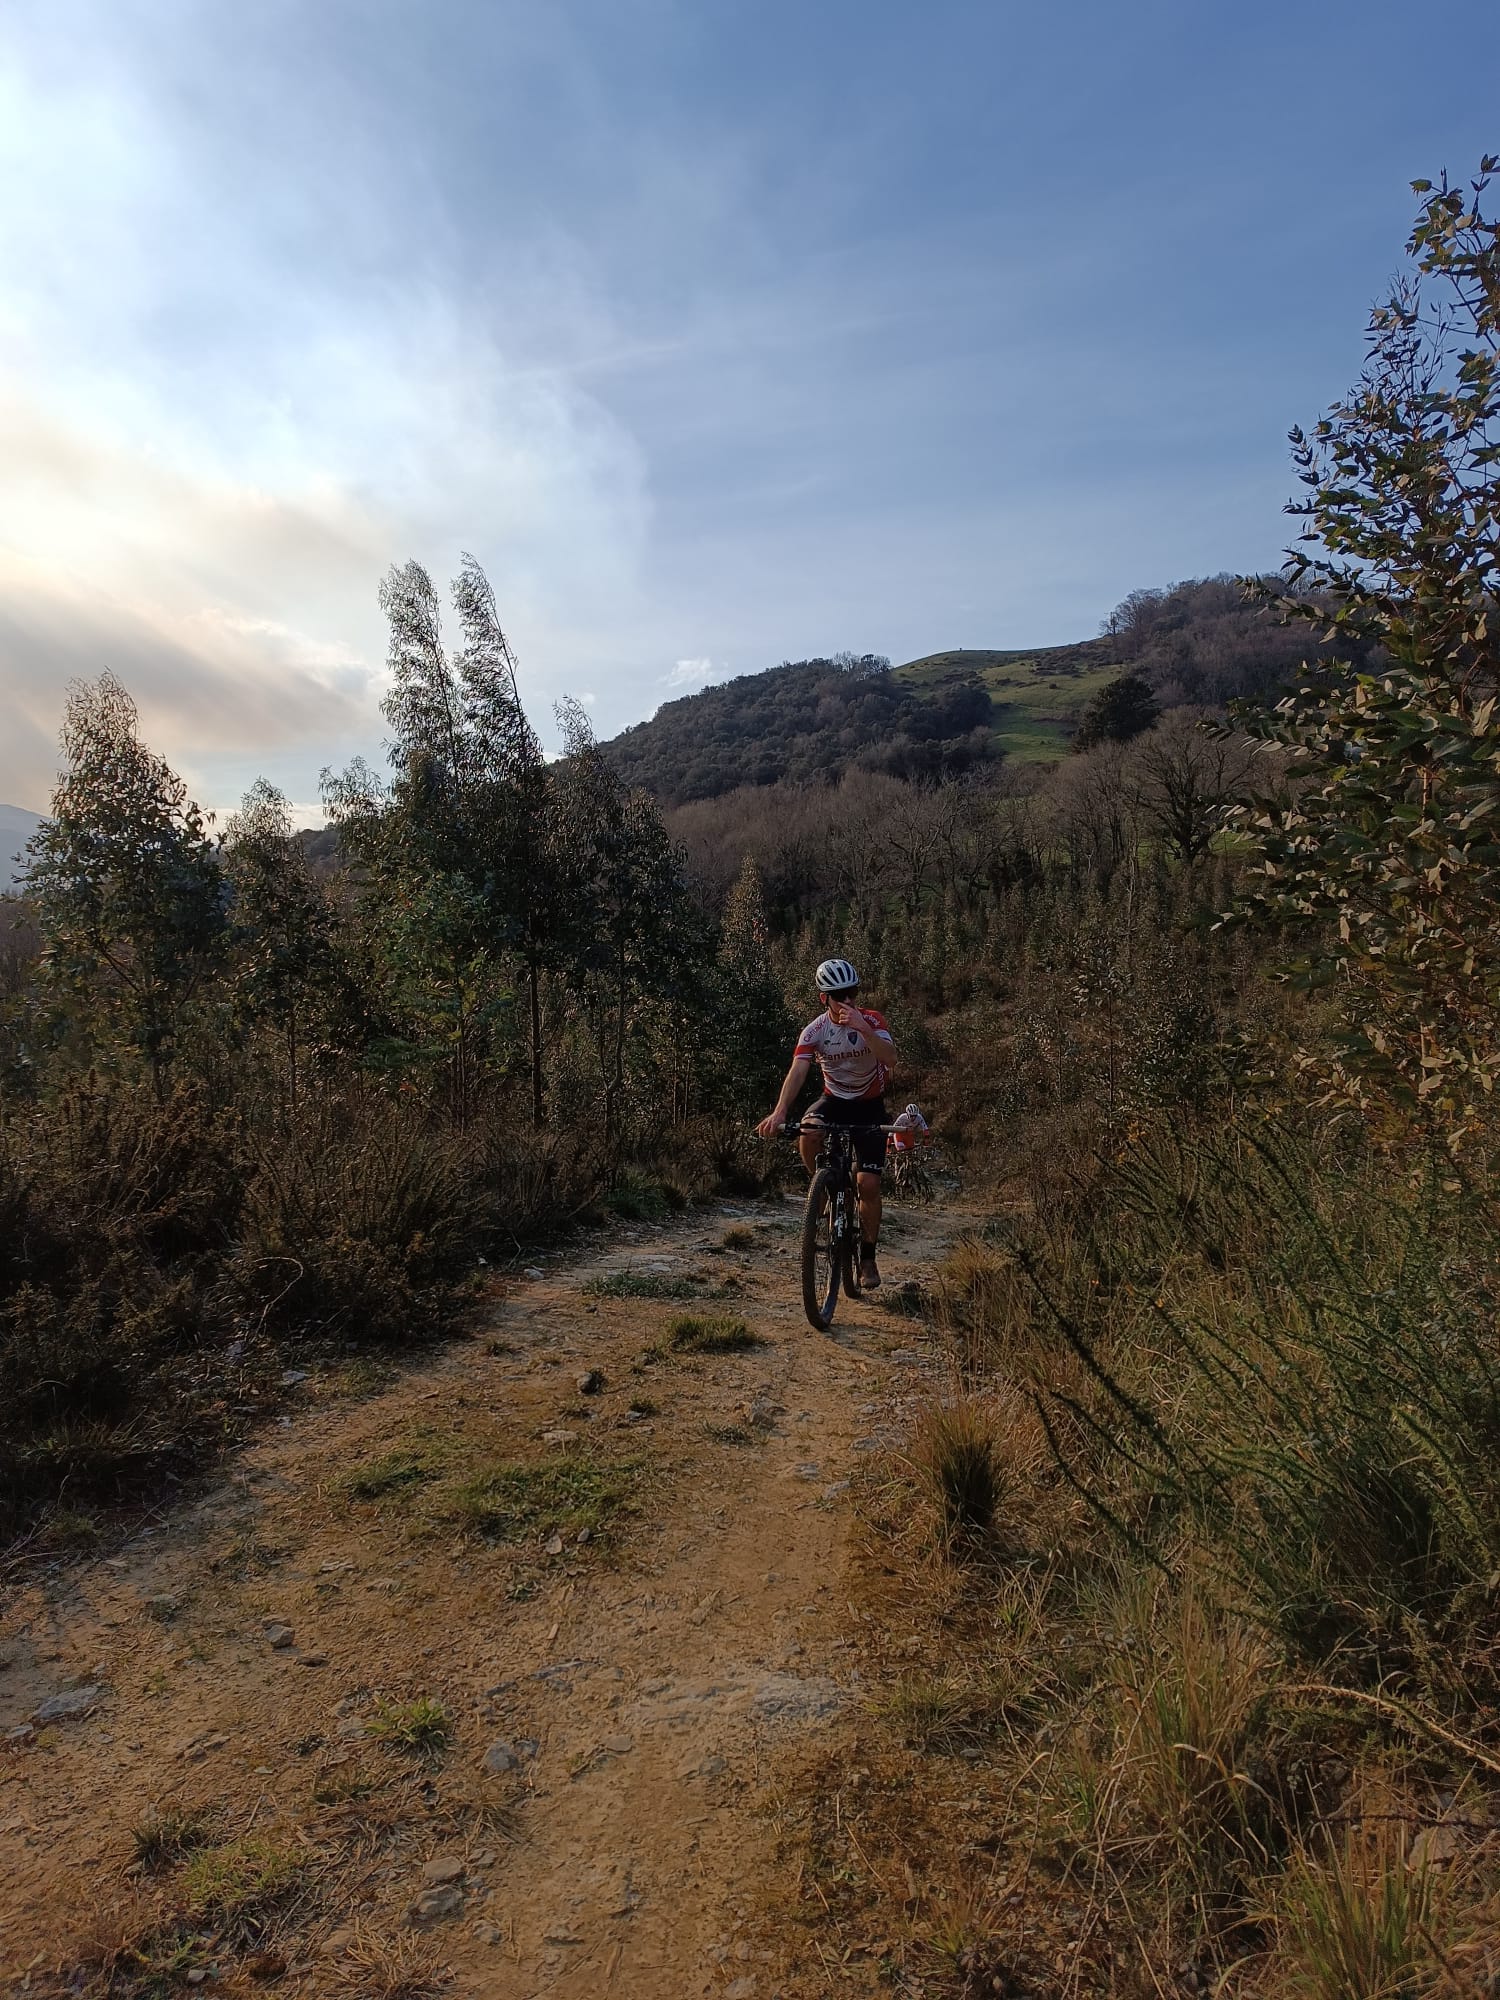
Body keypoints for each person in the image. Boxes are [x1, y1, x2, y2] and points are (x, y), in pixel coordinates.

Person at [756, 956, 896, 1289]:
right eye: (839, 995)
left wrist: (862, 1027)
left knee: (869, 1186)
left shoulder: (872, 1020)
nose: (848, 1000)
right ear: (824, 999)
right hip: (834, 1100)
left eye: (853, 992)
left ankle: (868, 1258)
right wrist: (779, 1111)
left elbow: (891, 1059)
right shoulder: (816, 1030)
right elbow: (798, 1071)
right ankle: (822, 1188)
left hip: (869, 1106)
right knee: (808, 1130)